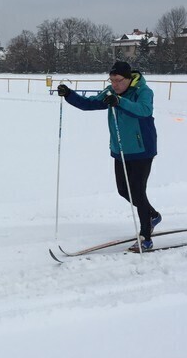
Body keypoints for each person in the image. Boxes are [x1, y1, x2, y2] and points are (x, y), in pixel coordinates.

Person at [57, 61, 161, 252]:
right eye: (111, 80)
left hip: (142, 149)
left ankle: (146, 237)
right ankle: (152, 215)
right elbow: (89, 104)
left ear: (129, 79)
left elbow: (144, 110)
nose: (114, 84)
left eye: (118, 80)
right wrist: (69, 95)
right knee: (123, 190)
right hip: (120, 149)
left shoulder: (143, 91)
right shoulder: (110, 93)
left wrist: (120, 102)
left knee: (138, 191)